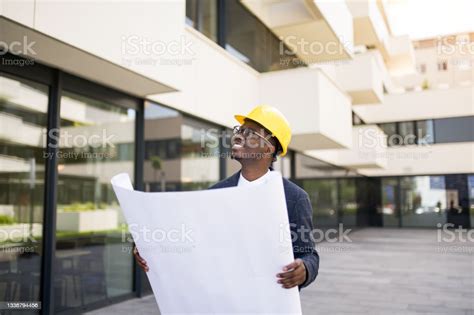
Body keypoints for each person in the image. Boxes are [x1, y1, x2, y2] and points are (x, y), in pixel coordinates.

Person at [134, 105, 319, 289]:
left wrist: (304, 270)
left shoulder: (294, 198)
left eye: (251, 133)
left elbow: (308, 255)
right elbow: (191, 240)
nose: (238, 136)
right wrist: (150, 247)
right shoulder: (215, 193)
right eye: (240, 130)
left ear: (269, 148)